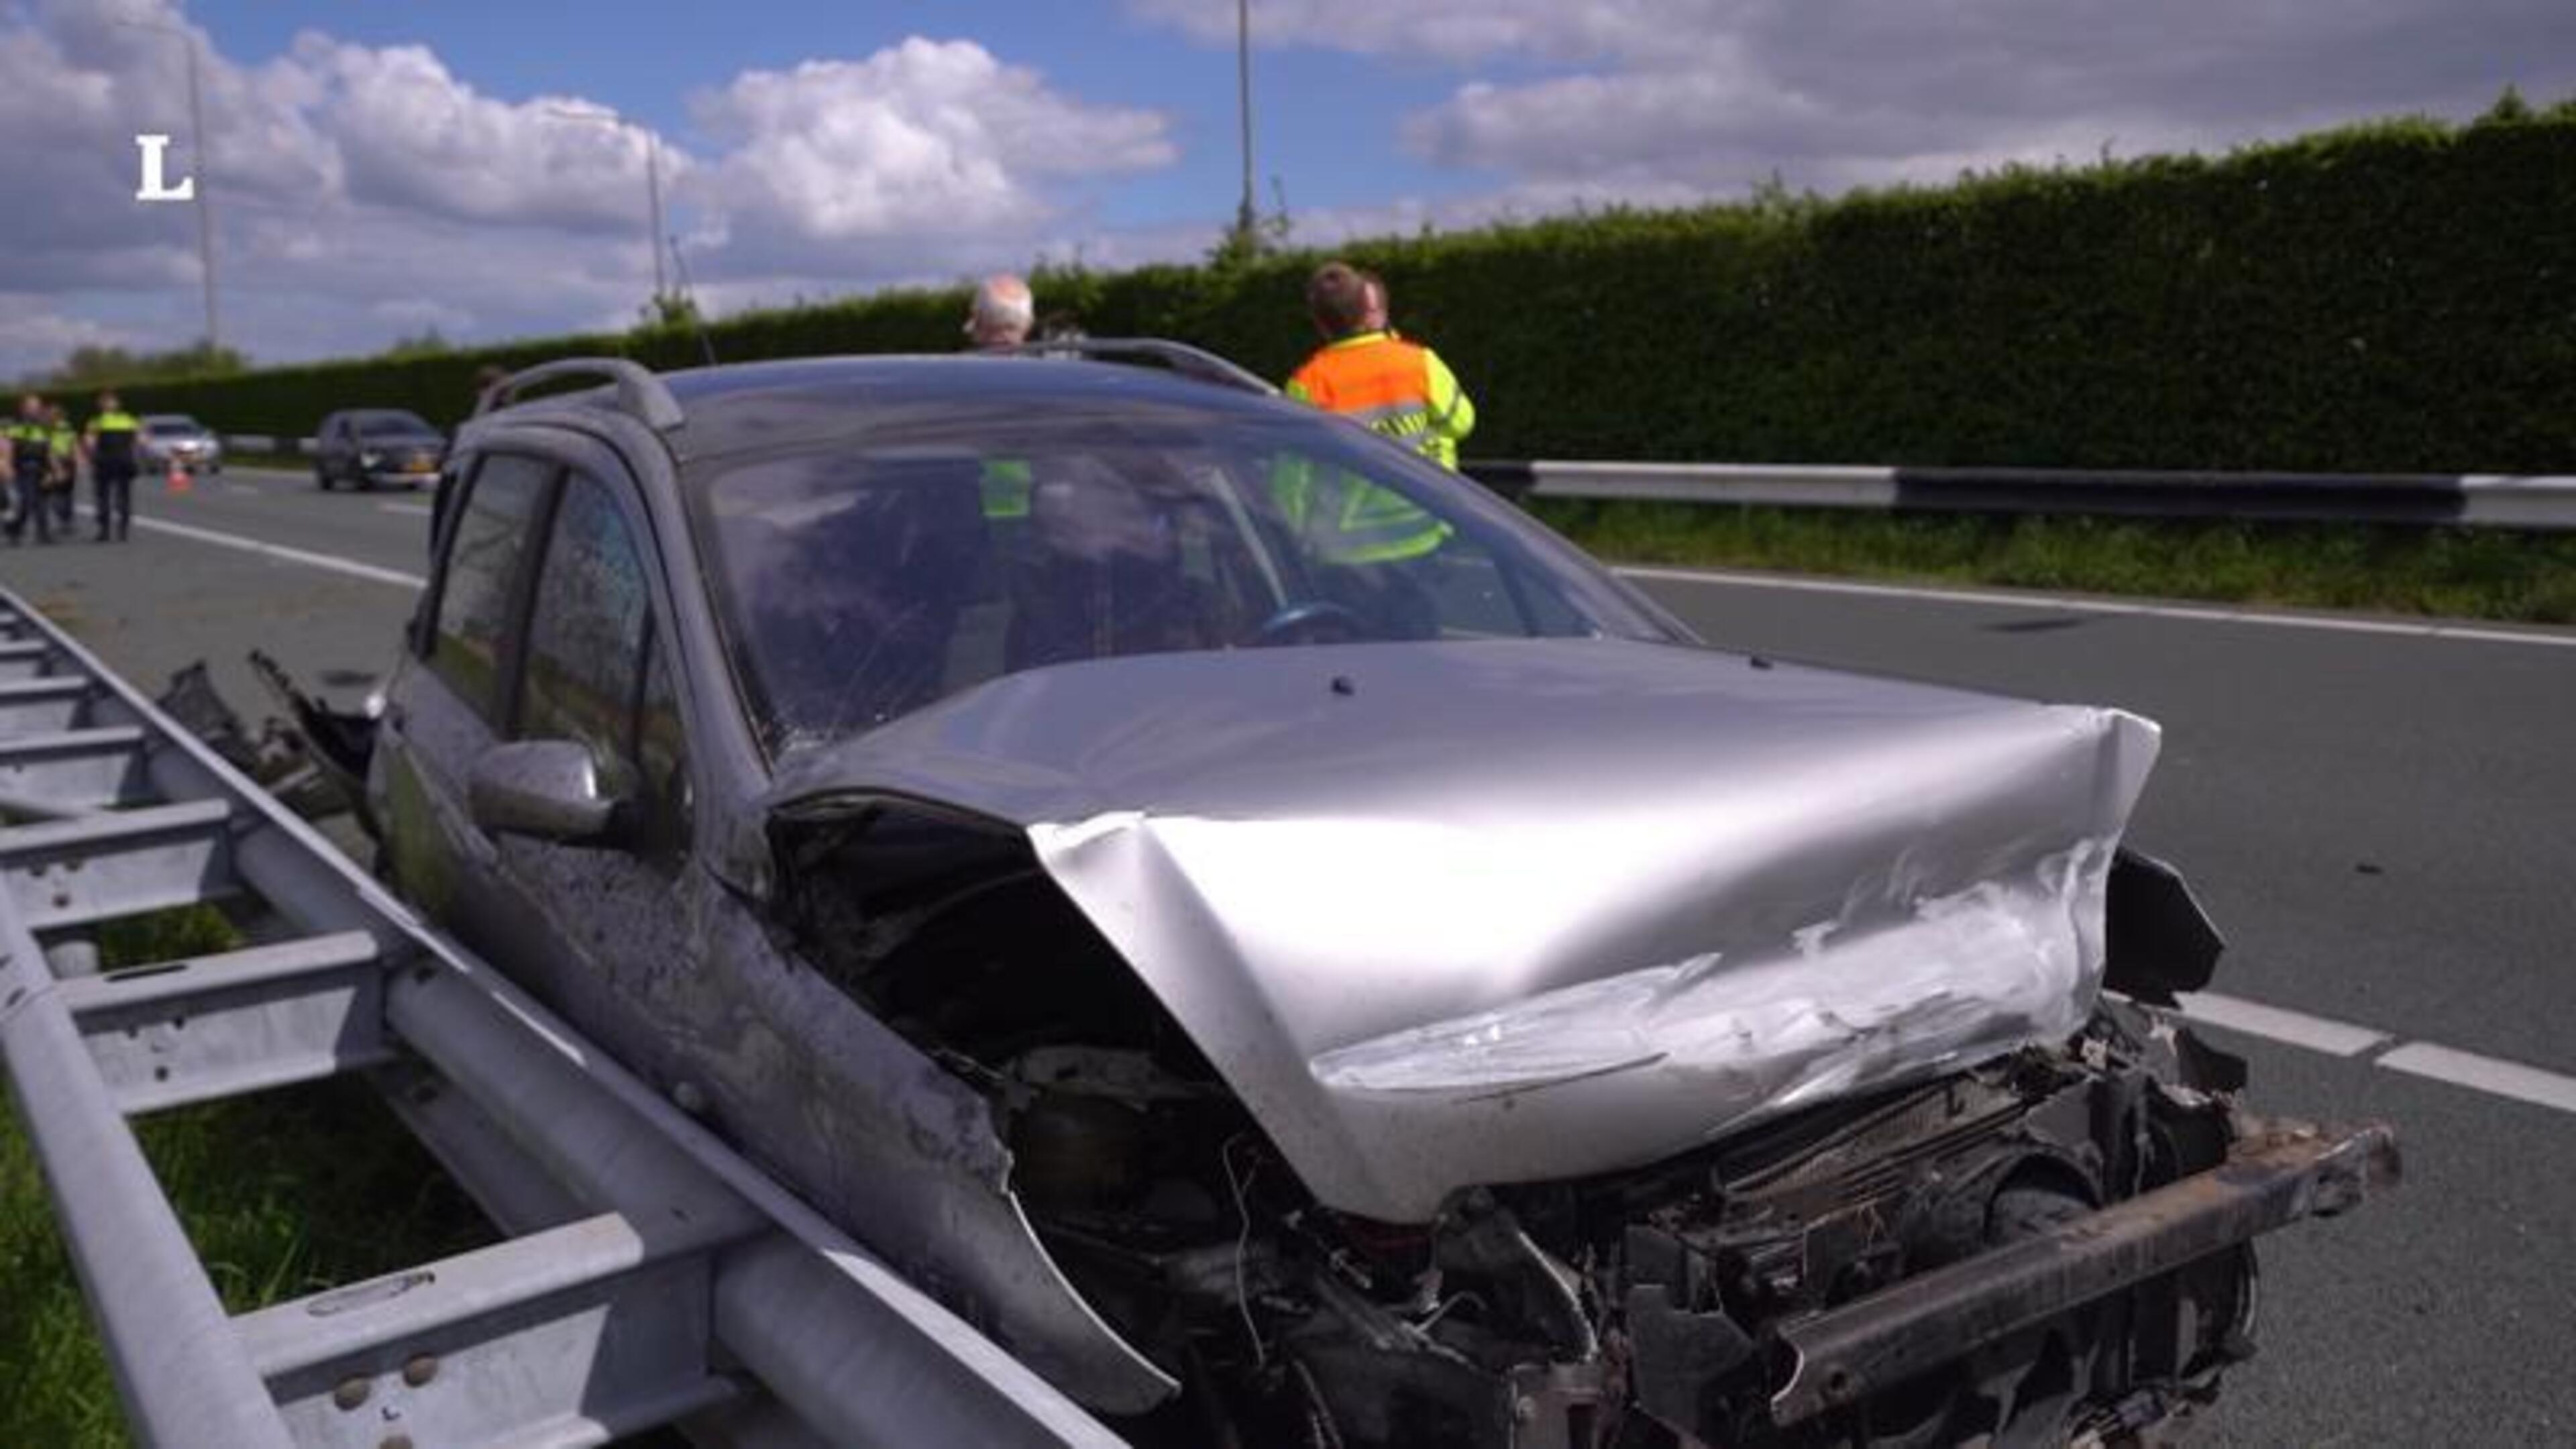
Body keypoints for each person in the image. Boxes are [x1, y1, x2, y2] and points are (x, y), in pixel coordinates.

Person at [1285, 261, 1476, 470]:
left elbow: (1297, 466)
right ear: (1365, 309)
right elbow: (1463, 423)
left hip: (1352, 493)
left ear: (1318, 322)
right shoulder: (1420, 361)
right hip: (1426, 489)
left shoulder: (1306, 384)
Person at [84, 390, 141, 543]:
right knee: (123, 496)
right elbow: (140, 440)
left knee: (104, 497)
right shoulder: (128, 419)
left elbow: (90, 443)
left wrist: (91, 457)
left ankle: (106, 531)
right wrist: (135, 456)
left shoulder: (96, 421)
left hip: (105, 462)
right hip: (124, 461)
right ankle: (122, 531)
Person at [5, 394, 54, 545]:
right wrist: (8, 466)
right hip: (23, 467)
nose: (34, 409)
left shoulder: (44, 427)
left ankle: (43, 533)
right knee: (27, 500)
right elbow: (9, 448)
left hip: (41, 467)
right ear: (23, 408)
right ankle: (15, 528)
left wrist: (52, 470)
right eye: (30, 406)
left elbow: (49, 450)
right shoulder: (15, 426)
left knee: (42, 501)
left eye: (36, 406)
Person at [963, 274, 1035, 351]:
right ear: (1028, 325)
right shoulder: (1038, 355)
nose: (972, 335)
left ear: (981, 322)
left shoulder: (968, 358)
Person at [44, 405, 79, 533]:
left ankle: (65, 520)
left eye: (51, 415)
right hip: (56, 461)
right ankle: (64, 520)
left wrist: (75, 459)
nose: (48, 417)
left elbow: (73, 443)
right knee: (58, 492)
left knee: (62, 493)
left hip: (63, 461)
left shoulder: (63, 428)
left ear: (58, 416)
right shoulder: (47, 428)